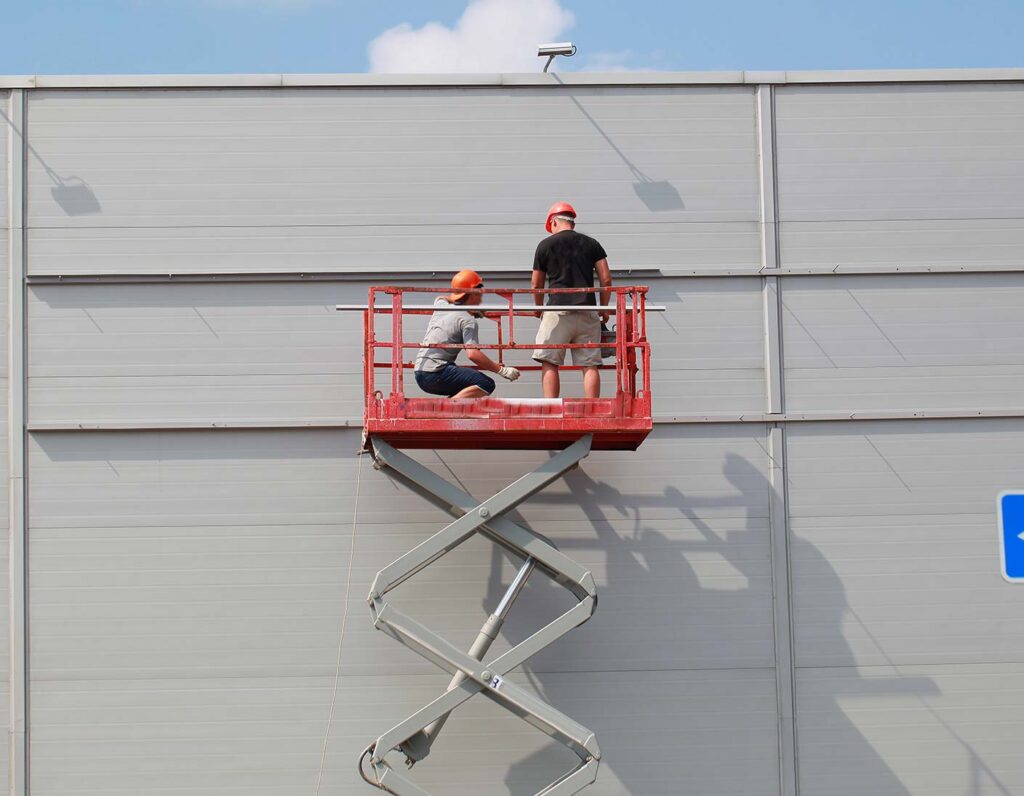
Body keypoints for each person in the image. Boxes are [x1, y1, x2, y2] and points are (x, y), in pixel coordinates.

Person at [531, 202, 613, 399]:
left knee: (550, 361)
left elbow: (536, 284)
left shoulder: (545, 245)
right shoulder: (592, 243)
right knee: (590, 364)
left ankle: (551, 407)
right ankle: (593, 408)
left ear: (553, 222)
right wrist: (603, 308)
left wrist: (538, 308)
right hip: (587, 311)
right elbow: (606, 279)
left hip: (558, 312)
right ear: (572, 222)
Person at [414, 269, 521, 399]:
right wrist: (501, 371)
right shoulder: (468, 320)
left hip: (420, 371)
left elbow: (440, 297)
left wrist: (467, 307)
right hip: (436, 373)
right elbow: (473, 354)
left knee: (466, 386)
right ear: (472, 294)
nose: (481, 298)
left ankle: (448, 407)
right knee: (485, 383)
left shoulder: (441, 305)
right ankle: (447, 410)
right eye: (479, 293)